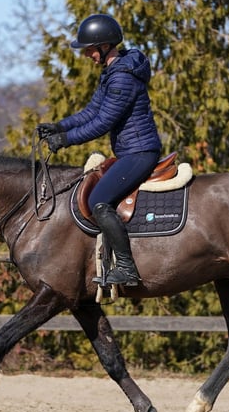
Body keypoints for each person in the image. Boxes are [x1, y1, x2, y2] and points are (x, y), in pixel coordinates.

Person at [37, 14, 162, 287]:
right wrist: (58, 126)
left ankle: (128, 269)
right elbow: (92, 111)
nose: (87, 55)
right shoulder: (112, 73)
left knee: (99, 200)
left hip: (139, 152)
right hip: (131, 150)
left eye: (90, 49)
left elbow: (104, 122)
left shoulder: (123, 78)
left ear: (105, 46)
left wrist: (66, 140)